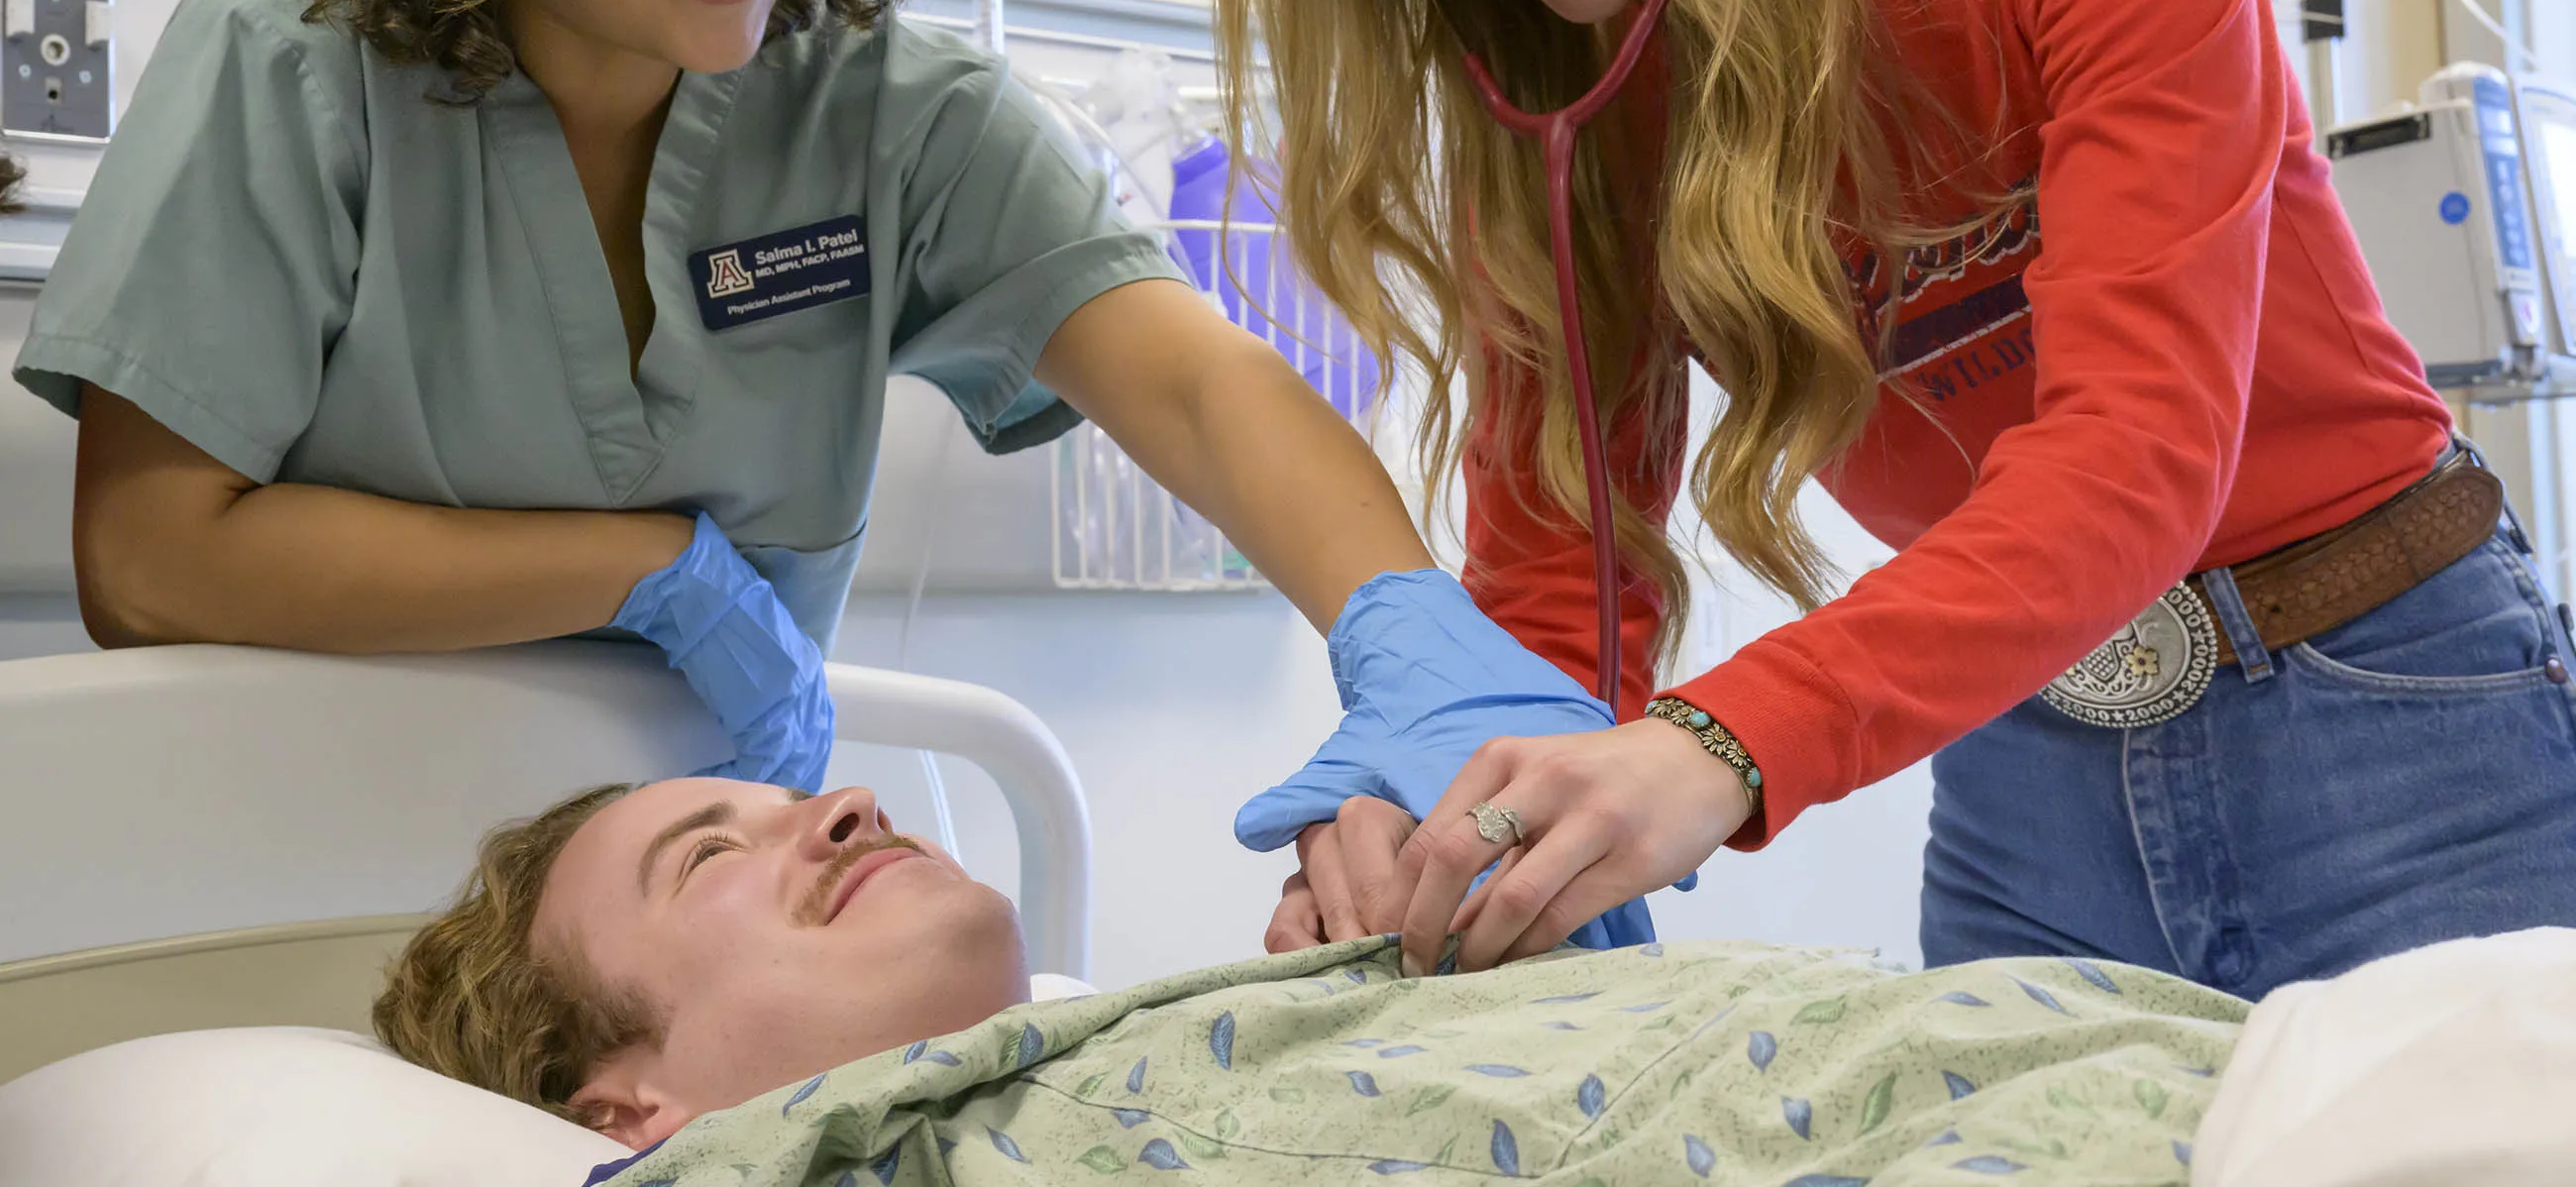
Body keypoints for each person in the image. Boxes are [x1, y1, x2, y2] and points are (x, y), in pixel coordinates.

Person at [1215, 0, 2576, 996]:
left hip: (2396, 715)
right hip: (2025, 771)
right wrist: (1438, 809)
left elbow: (2133, 462)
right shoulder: (1556, 107)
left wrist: (1720, 741)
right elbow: (1566, 593)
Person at [5, 0, 1546, 813]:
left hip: (709, 880)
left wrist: (1406, 638)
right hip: (300, 850)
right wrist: (643, 568)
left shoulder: (878, 110)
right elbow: (151, 561)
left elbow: (1199, 388)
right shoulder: (304, 51)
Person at [376, 774, 2243, 1182]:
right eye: (715, 853)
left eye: (800, 785)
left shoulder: (1174, 1039)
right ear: (627, 1107)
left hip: (2230, 1077)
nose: (840, 798)